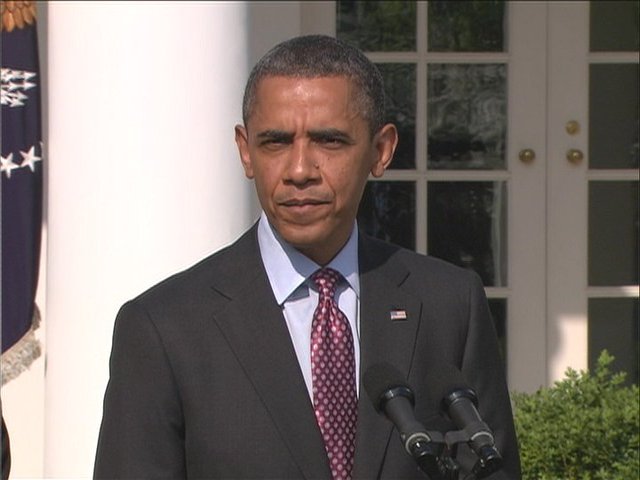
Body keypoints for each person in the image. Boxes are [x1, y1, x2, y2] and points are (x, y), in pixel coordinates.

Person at [94, 35, 521, 479]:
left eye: (329, 141)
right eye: (275, 142)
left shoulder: (448, 304)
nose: (299, 170)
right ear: (245, 151)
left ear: (380, 151)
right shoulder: (164, 327)